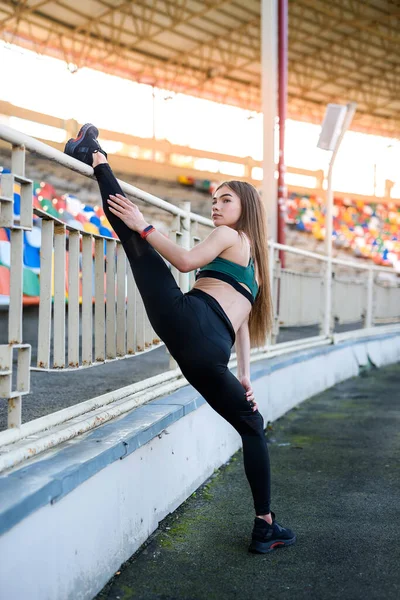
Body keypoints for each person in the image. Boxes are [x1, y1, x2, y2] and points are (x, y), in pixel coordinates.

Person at [64, 124, 296, 554]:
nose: (216, 206)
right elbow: (243, 323)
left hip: (190, 322)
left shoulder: (231, 234)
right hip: (207, 354)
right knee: (253, 427)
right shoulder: (257, 270)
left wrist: (146, 225)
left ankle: (95, 156)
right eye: (214, 200)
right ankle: (265, 525)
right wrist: (244, 376)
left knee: (134, 239)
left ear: (246, 207)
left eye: (226, 199)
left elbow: (187, 262)